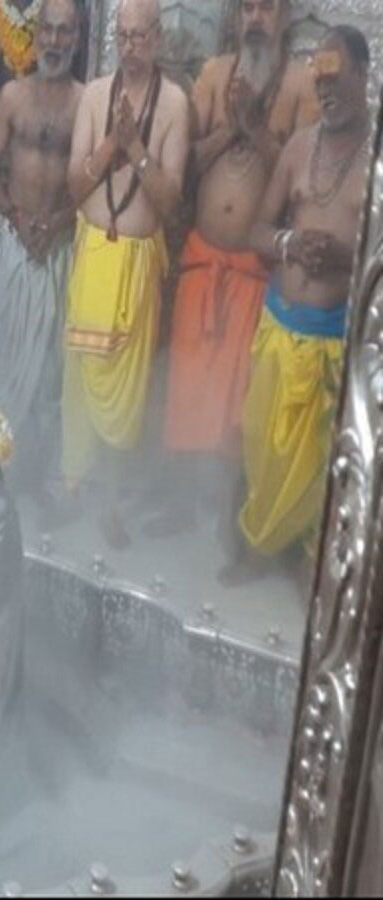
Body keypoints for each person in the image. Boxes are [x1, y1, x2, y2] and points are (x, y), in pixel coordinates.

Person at [152, 0, 318, 536]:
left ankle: (226, 518)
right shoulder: (214, 74)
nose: (256, 18)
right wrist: (230, 130)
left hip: (251, 274)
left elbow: (303, 184)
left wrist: (256, 128)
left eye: (266, 8)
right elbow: (187, 166)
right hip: (203, 263)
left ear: (284, 17)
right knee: (188, 386)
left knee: (235, 401)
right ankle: (178, 506)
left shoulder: (299, 85)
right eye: (247, 7)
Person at [223, 26, 369, 586]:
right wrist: (290, 244)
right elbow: (258, 229)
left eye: (336, 76)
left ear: (362, 74)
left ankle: (306, 563)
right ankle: (256, 542)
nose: (326, 88)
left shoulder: (376, 157)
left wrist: (345, 257)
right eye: (319, 78)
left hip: (335, 340)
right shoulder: (297, 147)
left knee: (318, 469)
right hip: (280, 328)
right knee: (260, 446)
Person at [62, 0, 188, 547]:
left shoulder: (176, 105)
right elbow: (74, 187)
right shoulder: (93, 95)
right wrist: (111, 142)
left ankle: (110, 500)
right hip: (93, 254)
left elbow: (169, 199)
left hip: (137, 268)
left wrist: (135, 148)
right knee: (81, 386)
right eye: (122, 35)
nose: (130, 46)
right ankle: (75, 488)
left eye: (140, 37)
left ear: (158, 39)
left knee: (126, 396)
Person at [0, 0, 82, 499]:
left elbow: (89, 183)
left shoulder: (87, 102)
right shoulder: (12, 97)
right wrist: (19, 219)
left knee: (50, 376)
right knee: (13, 365)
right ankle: (6, 473)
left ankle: (40, 480)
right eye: (48, 29)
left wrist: (58, 224)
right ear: (35, 34)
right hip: (17, 246)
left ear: (77, 40)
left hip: (61, 248)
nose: (55, 41)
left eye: (65, 32)